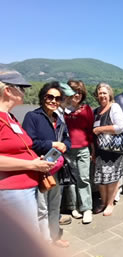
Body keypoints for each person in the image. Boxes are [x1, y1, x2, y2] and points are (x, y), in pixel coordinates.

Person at [0, 70, 55, 233]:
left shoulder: (10, 117)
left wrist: (37, 161)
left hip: (26, 187)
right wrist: (31, 165)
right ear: (8, 90)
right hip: (13, 191)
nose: (25, 92)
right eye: (21, 88)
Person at [22, 81, 71, 248]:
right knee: (41, 208)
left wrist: (65, 145)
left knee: (55, 205)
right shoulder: (32, 117)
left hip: (57, 169)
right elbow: (29, 143)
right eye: (50, 97)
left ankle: (55, 236)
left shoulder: (59, 119)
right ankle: (45, 243)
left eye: (57, 98)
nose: (53, 101)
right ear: (43, 98)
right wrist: (52, 144)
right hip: (40, 169)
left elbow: (67, 139)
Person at [93, 83, 123, 216]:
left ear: (109, 95)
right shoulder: (96, 111)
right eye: (100, 93)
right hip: (100, 151)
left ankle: (110, 203)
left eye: (104, 93)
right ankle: (103, 202)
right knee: (101, 179)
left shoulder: (114, 107)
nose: (102, 95)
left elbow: (120, 126)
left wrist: (99, 129)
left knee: (112, 179)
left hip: (114, 150)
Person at [62, 80, 94, 224]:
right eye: (74, 91)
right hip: (67, 150)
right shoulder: (62, 109)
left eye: (80, 92)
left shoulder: (86, 109)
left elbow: (90, 131)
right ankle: (73, 207)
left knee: (84, 178)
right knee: (70, 181)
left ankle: (87, 208)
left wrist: (93, 149)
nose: (77, 95)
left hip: (83, 149)